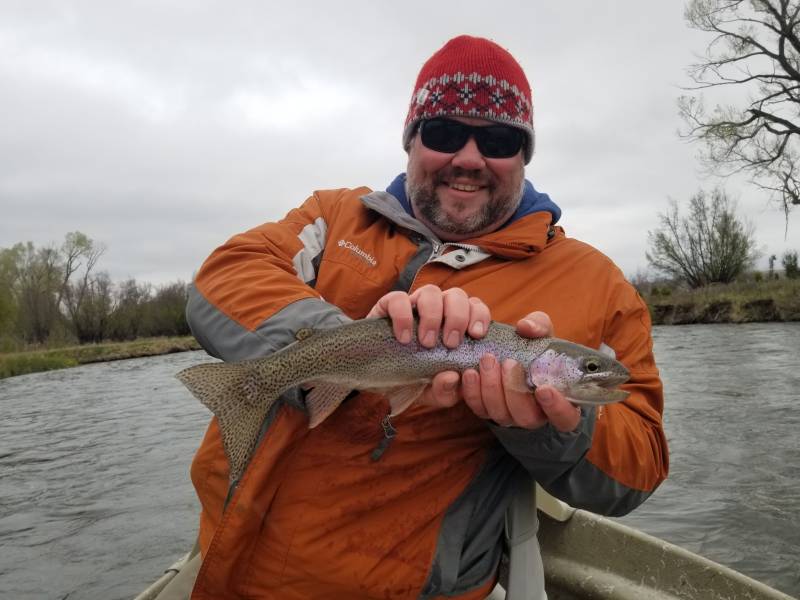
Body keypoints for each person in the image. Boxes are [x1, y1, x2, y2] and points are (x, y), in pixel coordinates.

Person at [183, 35, 669, 600]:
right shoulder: (336, 217)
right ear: (410, 142)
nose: (468, 158)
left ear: (524, 155)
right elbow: (224, 275)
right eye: (442, 133)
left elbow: (640, 467)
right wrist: (344, 344)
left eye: (497, 139)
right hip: (226, 568)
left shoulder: (597, 285)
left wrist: (549, 430)